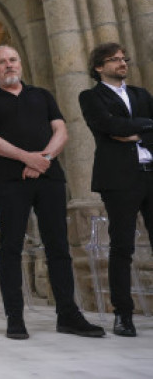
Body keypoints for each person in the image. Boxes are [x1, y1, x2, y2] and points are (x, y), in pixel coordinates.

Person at [0, 45, 104, 339]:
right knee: (10, 249)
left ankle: (68, 315)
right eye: (2, 62)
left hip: (50, 180)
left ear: (20, 64)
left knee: (58, 247)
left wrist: (42, 160)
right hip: (10, 183)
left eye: (13, 60)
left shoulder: (42, 95)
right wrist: (26, 157)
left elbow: (61, 131)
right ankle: (15, 318)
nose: (9, 65)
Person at [78, 42, 153, 337]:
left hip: (151, 173)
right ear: (99, 67)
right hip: (120, 179)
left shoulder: (141, 94)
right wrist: (141, 127)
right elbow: (106, 125)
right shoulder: (90, 97)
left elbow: (122, 129)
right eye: (114, 60)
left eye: (124, 58)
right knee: (122, 247)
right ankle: (123, 314)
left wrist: (134, 129)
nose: (122, 63)